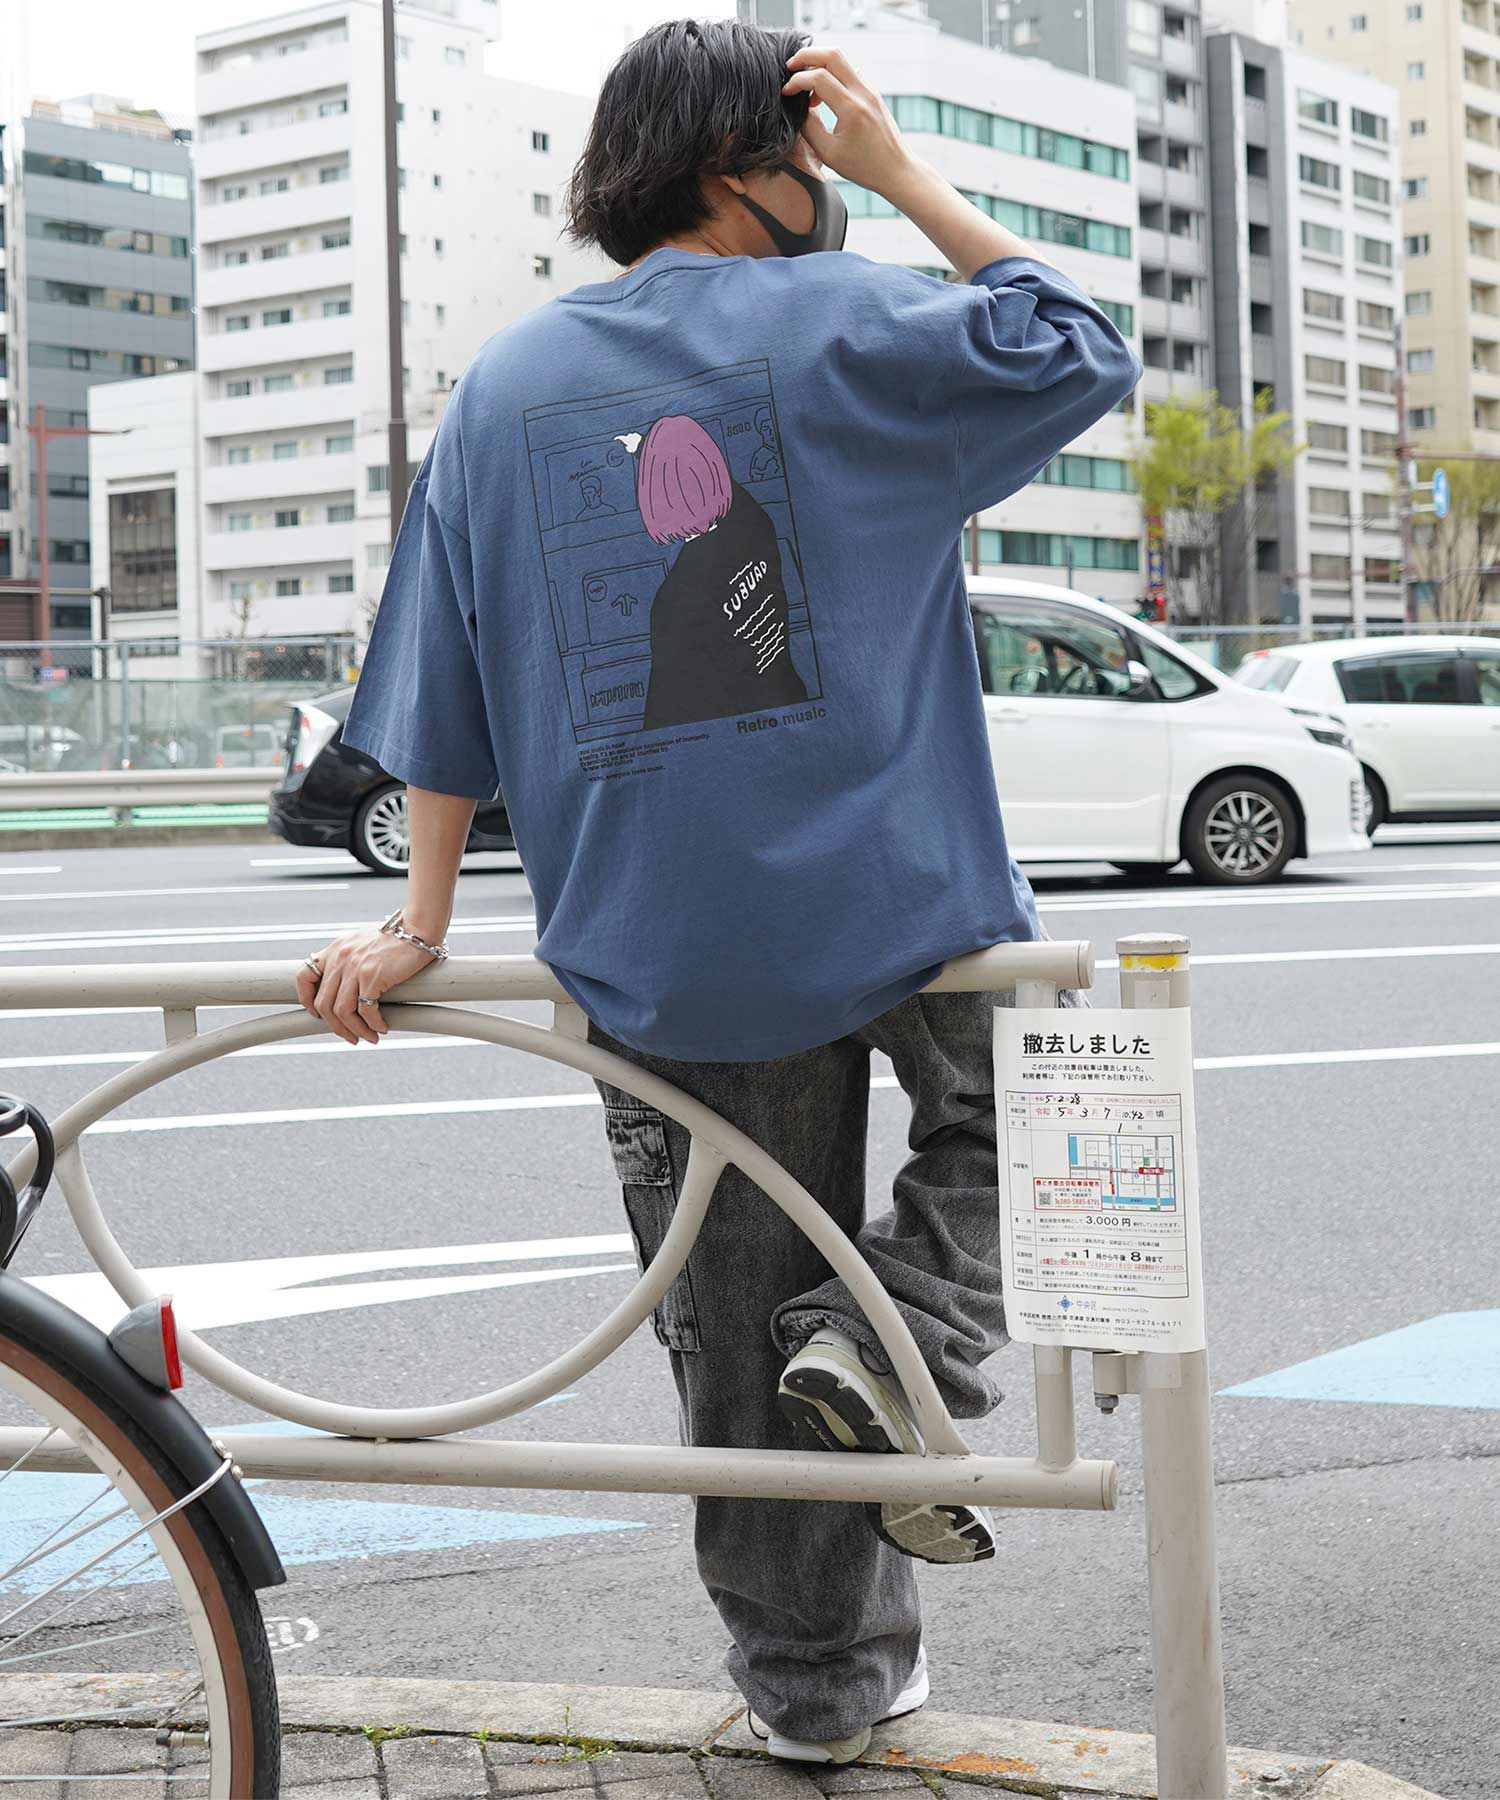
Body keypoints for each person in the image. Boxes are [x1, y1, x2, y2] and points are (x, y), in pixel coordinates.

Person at [298, 18, 1138, 1768]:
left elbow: (444, 692)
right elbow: (1076, 342)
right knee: (1049, 1096)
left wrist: (423, 925)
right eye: (812, 159)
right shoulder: (853, 325)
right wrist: (908, 174)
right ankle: (902, 1336)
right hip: (902, 901)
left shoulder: (503, 391)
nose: (832, 189)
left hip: (657, 942)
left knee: (737, 1339)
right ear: (748, 169)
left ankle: (817, 1695)